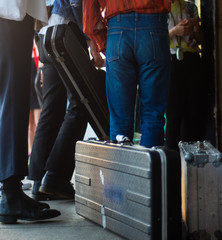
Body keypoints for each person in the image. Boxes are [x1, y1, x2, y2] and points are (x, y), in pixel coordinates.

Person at [28, 0, 104, 201]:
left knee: (52, 109)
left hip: (46, 32)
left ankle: (38, 179)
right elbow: (75, 3)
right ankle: (55, 177)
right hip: (65, 33)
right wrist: (91, 40)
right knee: (80, 104)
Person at [0, 1, 60, 223]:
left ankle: (10, 191)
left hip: (11, 14)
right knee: (12, 93)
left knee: (11, 95)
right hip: (9, 13)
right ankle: (11, 193)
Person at [82, 0, 171, 148]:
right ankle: (149, 169)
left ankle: (122, 169)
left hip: (118, 31)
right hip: (154, 26)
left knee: (120, 120)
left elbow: (90, 21)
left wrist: (106, 45)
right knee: (152, 116)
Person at [165, 0, 203, 150]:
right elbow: (155, 39)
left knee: (192, 110)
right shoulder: (159, 8)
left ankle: (191, 158)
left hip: (192, 59)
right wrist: (174, 31)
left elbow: (201, 40)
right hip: (170, 60)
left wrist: (196, 26)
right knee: (173, 112)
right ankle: (172, 157)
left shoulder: (190, 7)